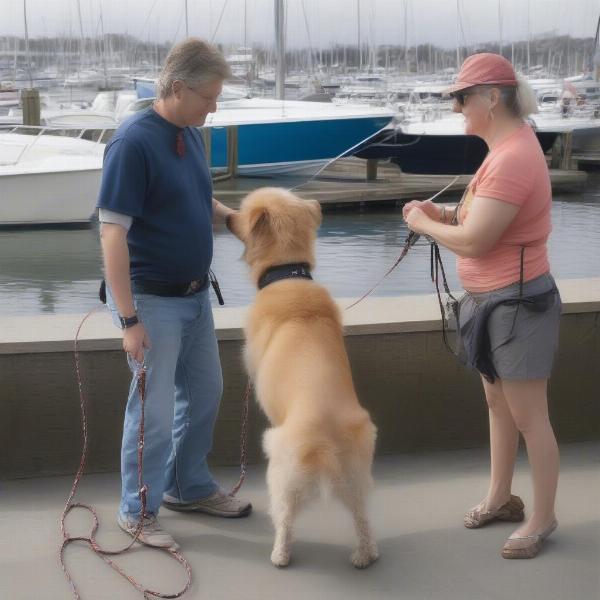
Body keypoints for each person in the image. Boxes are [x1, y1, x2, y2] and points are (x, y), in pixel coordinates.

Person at [403, 53, 561, 559]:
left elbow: (473, 241)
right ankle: (501, 497)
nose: (456, 107)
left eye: (461, 97)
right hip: (493, 303)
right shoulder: (504, 150)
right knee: (498, 404)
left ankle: (542, 517)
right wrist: (442, 211)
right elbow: (481, 219)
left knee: (530, 415)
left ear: (492, 97)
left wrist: (423, 222)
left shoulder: (513, 155)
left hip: (517, 306)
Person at [97, 38, 251, 551]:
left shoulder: (192, 133)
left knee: (206, 394)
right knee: (153, 413)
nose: (215, 106)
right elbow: (112, 232)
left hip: (194, 298)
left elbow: (200, 198)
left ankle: (188, 487)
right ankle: (137, 510)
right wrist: (128, 321)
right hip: (152, 303)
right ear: (178, 87)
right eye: (210, 96)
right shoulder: (133, 142)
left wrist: (233, 219)